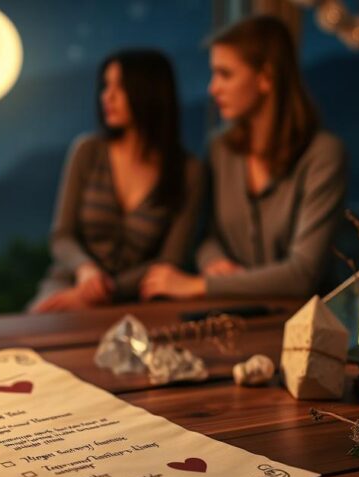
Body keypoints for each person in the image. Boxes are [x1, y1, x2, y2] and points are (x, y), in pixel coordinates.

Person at [140, 16, 347, 301]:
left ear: (265, 78)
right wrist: (213, 263)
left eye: (225, 74)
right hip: (239, 316)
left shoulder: (323, 155)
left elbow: (303, 274)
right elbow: (206, 235)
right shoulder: (220, 149)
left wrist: (200, 285)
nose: (213, 88)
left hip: (308, 325)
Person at [29, 49, 203, 313]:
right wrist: (86, 271)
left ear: (149, 92)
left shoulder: (188, 171)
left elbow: (170, 261)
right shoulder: (88, 150)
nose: (106, 97)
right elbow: (62, 236)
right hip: (72, 283)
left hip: (140, 296)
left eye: (120, 87)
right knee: (41, 324)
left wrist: (108, 291)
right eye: (105, 86)